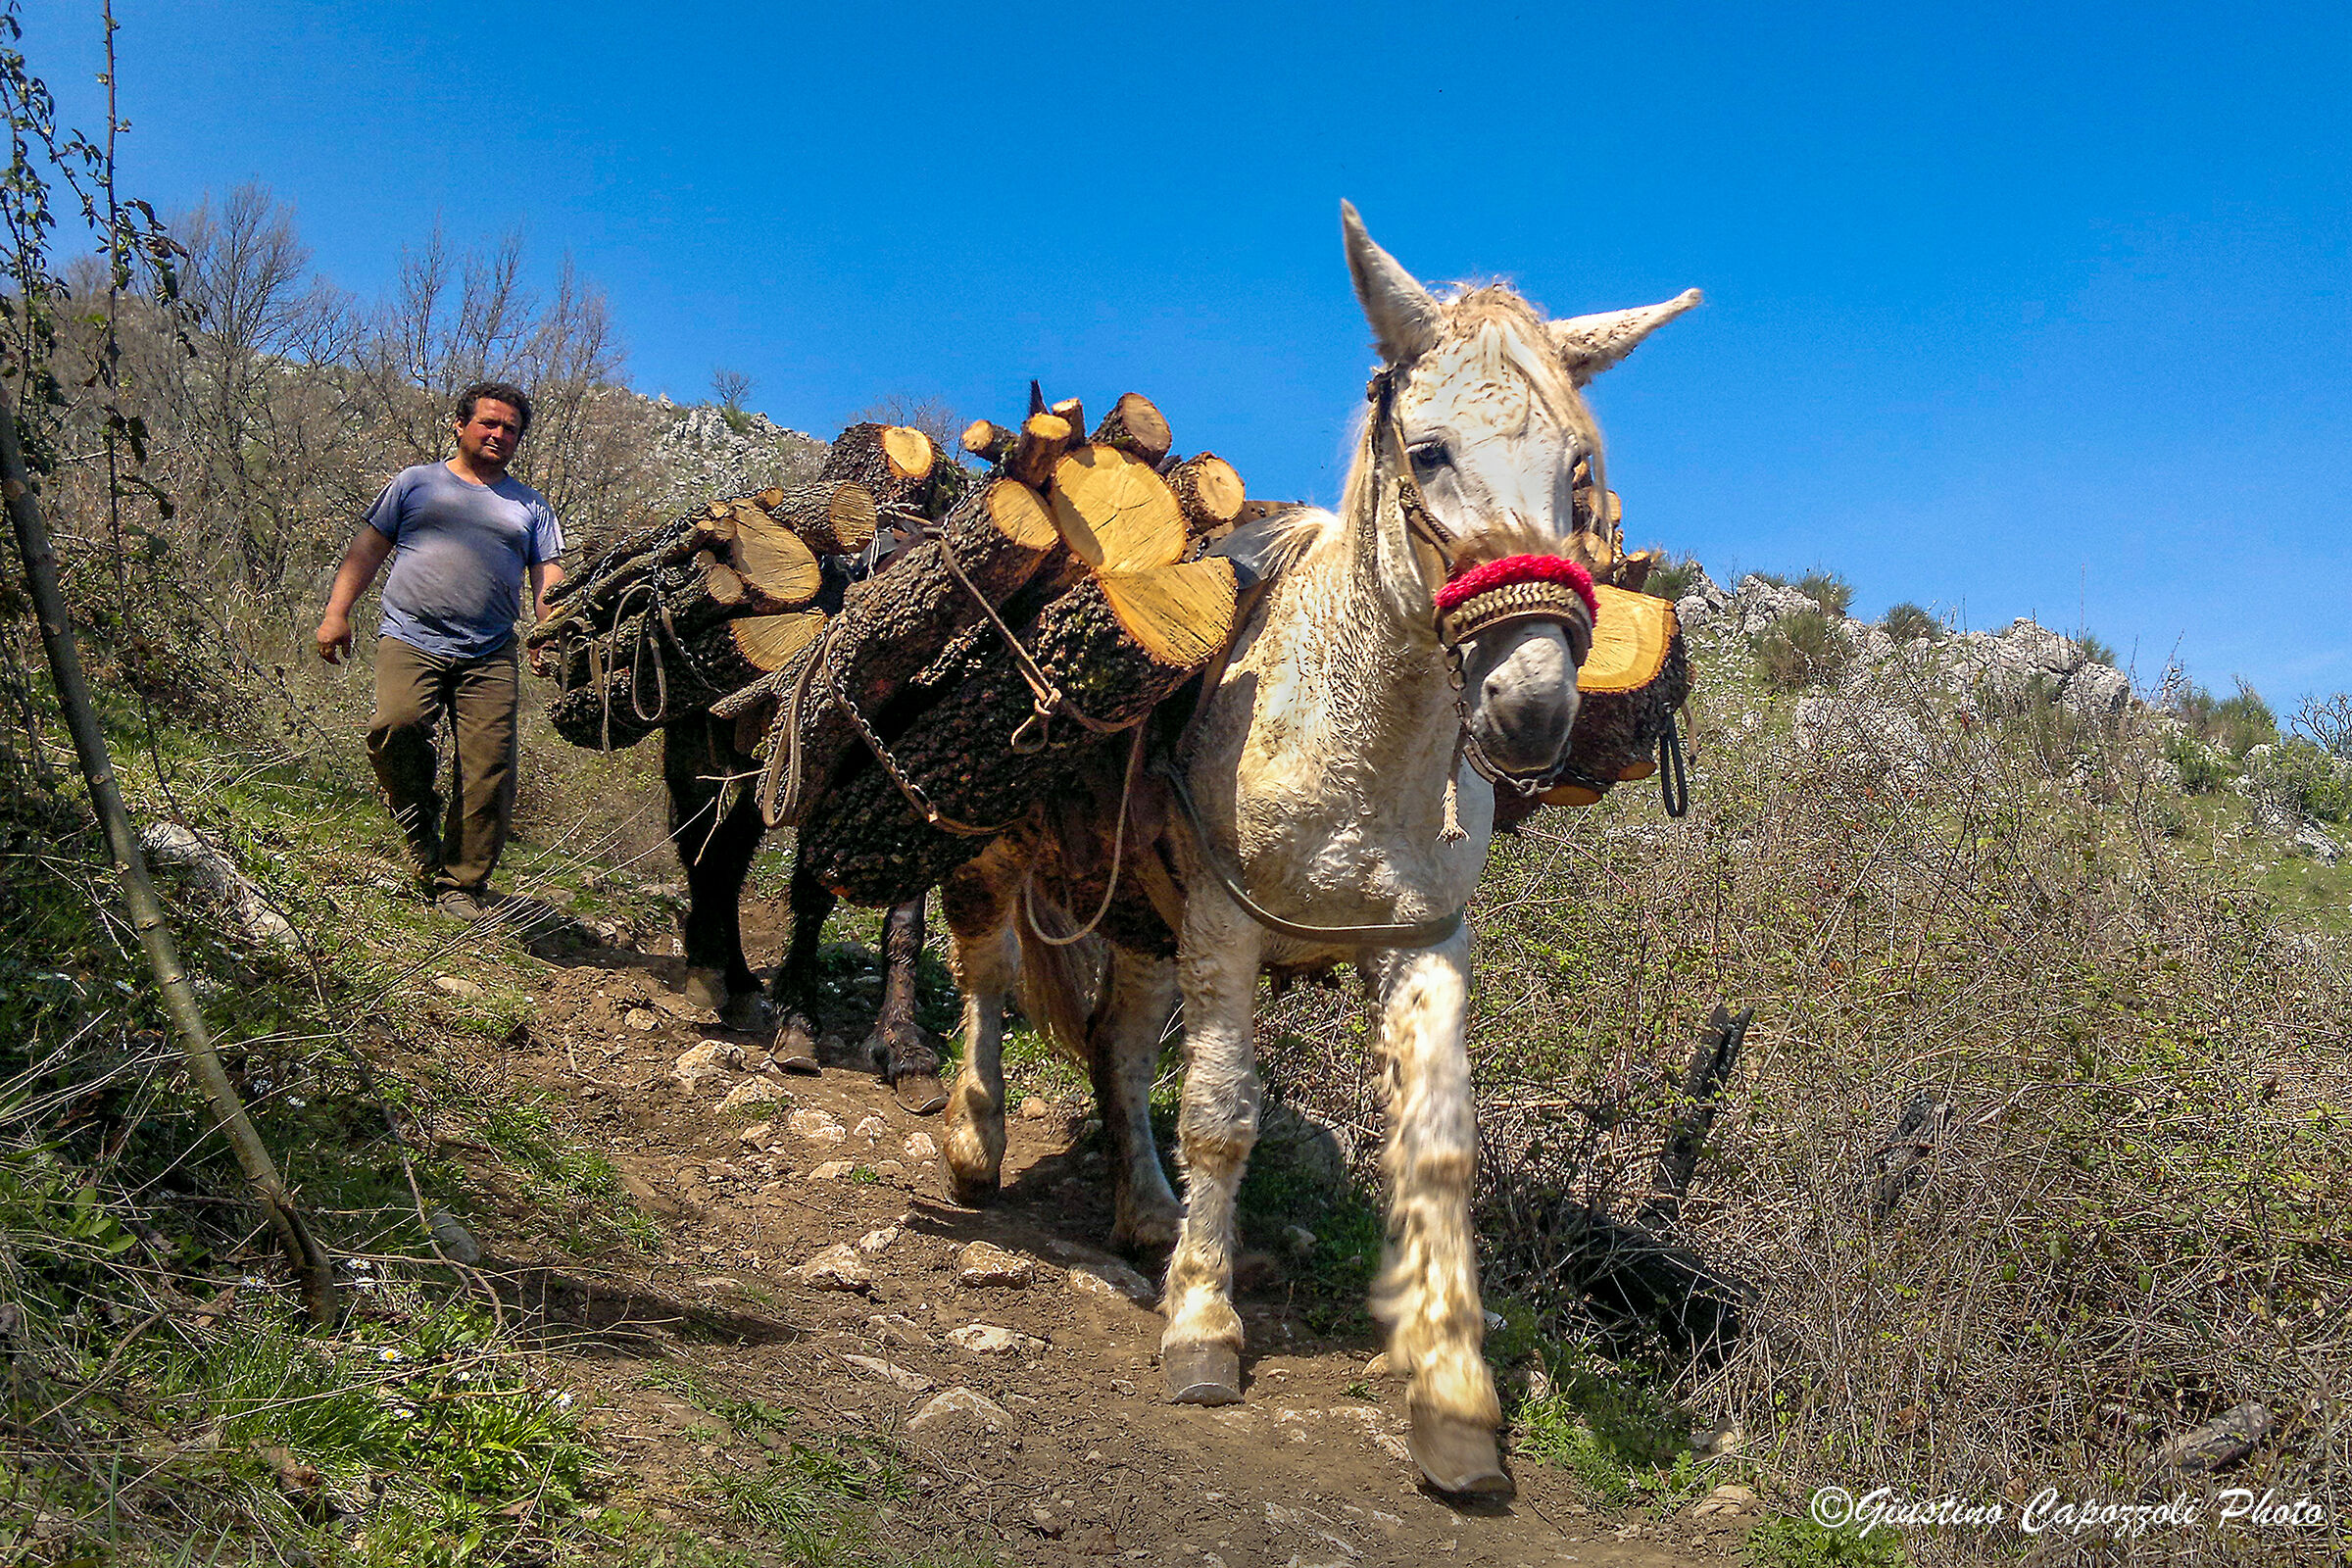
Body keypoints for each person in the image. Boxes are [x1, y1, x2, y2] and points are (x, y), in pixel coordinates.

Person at [316, 381, 566, 919]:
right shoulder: (415, 485)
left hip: (490, 651)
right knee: (396, 728)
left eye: (510, 429)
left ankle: (460, 882)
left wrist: (548, 634)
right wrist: (337, 612)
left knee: (490, 767)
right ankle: (417, 822)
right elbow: (367, 550)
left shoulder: (531, 507)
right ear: (460, 425)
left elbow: (549, 578)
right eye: (489, 423)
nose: (499, 434)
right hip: (411, 634)